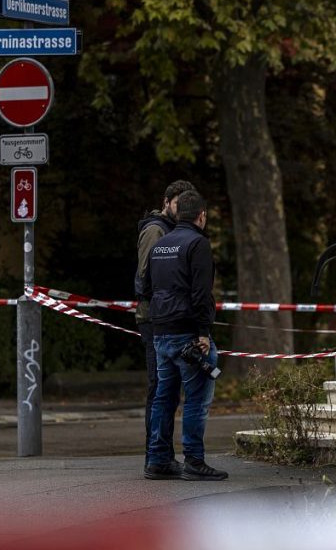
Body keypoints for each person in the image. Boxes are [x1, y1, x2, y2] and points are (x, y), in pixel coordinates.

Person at [141, 190, 227, 481]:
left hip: (160, 332)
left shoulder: (160, 244)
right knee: (196, 400)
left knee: (163, 399)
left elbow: (145, 287)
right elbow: (201, 293)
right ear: (201, 216)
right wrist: (203, 332)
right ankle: (194, 460)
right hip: (188, 333)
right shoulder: (197, 243)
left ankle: (157, 460)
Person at [135, 179, 195, 474]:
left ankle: (161, 456)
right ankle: (156, 457)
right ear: (167, 201)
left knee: (168, 390)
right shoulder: (156, 230)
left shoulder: (174, 230)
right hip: (155, 318)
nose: (181, 209)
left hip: (165, 317)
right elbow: (145, 278)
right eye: (178, 203)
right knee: (160, 388)